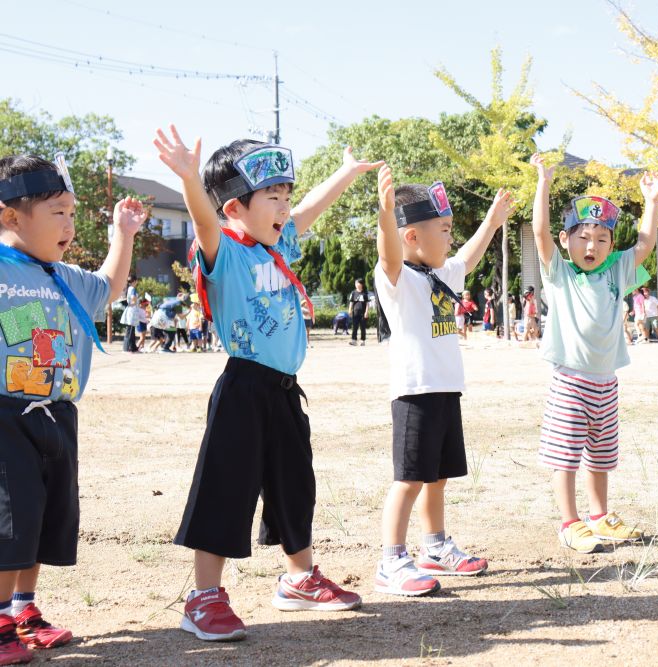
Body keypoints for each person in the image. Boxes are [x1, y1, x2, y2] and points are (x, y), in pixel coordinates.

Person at [156, 125, 382, 641]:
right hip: (243, 388)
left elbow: (310, 213)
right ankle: (204, 597)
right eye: (271, 198)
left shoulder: (276, 245)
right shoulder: (226, 252)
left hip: (284, 388)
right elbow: (203, 222)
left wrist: (345, 174)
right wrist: (192, 181)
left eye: (285, 197)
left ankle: (300, 578)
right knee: (225, 488)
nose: (284, 208)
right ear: (235, 207)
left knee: (294, 486)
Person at [0, 154, 145, 663]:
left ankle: (23, 608)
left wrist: (122, 236)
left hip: (57, 414)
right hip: (4, 416)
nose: (69, 223)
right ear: (10, 218)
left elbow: (110, 287)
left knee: (40, 517)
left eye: (72, 212)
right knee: (9, 518)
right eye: (57, 211)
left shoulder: (64, 277)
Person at [373, 166, 512, 595]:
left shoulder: (441, 275)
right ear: (411, 236)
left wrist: (492, 222)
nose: (451, 237)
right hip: (415, 394)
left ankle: (434, 546)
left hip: (446, 391)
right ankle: (392, 560)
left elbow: (467, 257)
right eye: (444, 229)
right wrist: (385, 213)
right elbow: (389, 254)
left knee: (437, 477)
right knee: (410, 478)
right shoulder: (397, 278)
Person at [529, 153, 658, 554]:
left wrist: (651, 203)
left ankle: (599, 516)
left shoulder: (615, 271)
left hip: (606, 381)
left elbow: (644, 244)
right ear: (566, 240)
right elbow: (539, 233)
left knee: (602, 455)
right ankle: (570, 523)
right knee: (566, 454)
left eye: (602, 239)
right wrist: (543, 182)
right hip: (571, 380)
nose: (592, 246)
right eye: (584, 238)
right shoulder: (560, 273)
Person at [349, 279, 369, 346]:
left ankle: (362, 340)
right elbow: (351, 302)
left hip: (363, 313)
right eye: (355, 283)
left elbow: (367, 304)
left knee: (362, 327)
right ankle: (354, 340)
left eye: (357, 283)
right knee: (354, 327)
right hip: (355, 313)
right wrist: (350, 310)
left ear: (361, 284)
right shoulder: (353, 293)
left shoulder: (365, 293)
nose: (356, 285)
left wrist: (366, 312)